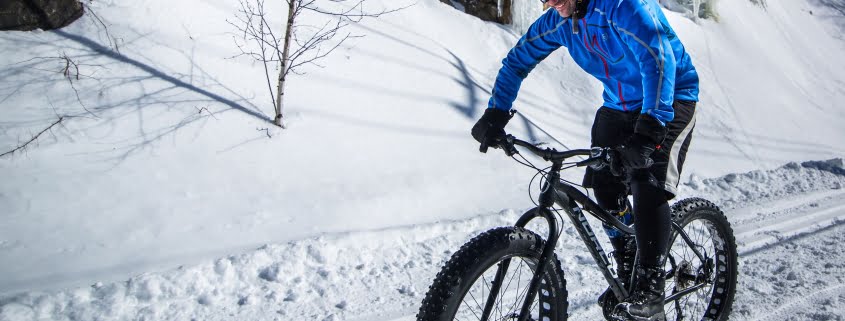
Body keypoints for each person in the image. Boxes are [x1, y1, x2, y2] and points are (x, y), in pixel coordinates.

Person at [471, 0, 699, 320]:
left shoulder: (625, 7)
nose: (548, 2)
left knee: (646, 180)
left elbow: (657, 59)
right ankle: (628, 264)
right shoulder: (560, 22)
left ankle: (651, 286)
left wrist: (649, 132)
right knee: (604, 185)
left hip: (671, 97)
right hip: (619, 105)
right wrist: (496, 112)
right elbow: (517, 61)